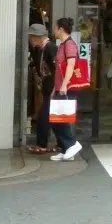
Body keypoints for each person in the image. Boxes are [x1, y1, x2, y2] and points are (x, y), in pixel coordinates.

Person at [49, 17, 85, 161]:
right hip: (61, 87)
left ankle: (72, 144)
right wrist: (55, 88)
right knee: (57, 118)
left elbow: (71, 65)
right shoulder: (63, 44)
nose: (53, 31)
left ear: (61, 29)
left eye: (55, 28)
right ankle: (66, 149)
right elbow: (60, 70)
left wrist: (64, 84)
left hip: (67, 87)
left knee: (60, 118)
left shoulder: (69, 45)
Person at [27, 23, 57, 154]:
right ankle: (60, 144)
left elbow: (58, 69)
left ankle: (42, 144)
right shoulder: (39, 49)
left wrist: (56, 88)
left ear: (38, 37)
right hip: (47, 87)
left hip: (53, 88)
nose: (31, 40)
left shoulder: (51, 48)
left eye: (32, 37)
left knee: (44, 117)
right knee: (52, 118)